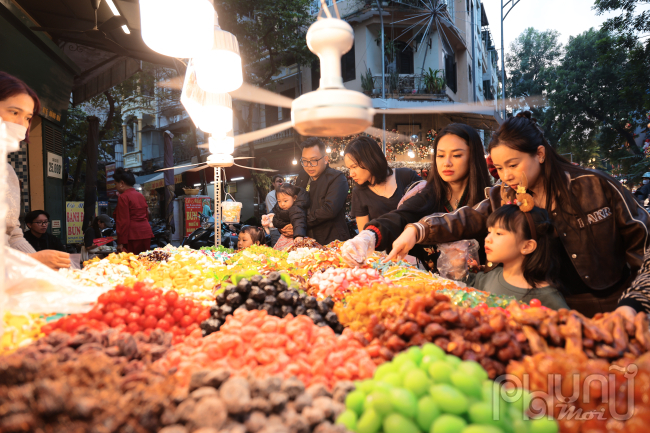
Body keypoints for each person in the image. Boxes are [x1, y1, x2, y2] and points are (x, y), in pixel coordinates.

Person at [387, 112, 650, 318]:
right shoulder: (507, 195)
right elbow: (469, 217)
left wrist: (634, 304)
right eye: (499, 168)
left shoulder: (594, 186)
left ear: (540, 154)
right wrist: (417, 230)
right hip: (546, 312)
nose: (506, 175)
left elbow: (644, 246)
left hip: (614, 308)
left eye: (513, 165)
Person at [341, 124, 491, 269]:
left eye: (457, 155)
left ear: (473, 157)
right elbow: (402, 215)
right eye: (440, 155)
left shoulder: (489, 200)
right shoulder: (428, 194)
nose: (447, 163)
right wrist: (369, 235)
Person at [0, 72, 69, 269]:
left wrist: (43, 268)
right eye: (14, 112)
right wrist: (32, 262)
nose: (22, 125)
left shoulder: (8, 173)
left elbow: (12, 235)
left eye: (28, 117)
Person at [467, 204, 568, 310]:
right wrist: (458, 266)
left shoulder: (547, 297)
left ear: (527, 246)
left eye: (498, 233)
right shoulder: (486, 278)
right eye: (489, 231)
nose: (487, 239)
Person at [281, 137, 350, 245]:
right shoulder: (302, 177)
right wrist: (280, 223)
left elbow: (329, 210)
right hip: (307, 240)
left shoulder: (337, 178)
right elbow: (293, 202)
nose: (309, 165)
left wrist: (299, 224)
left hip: (332, 240)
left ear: (325, 159)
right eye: (304, 161)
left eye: (313, 160)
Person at [344, 136, 421, 230]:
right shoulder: (359, 192)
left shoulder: (406, 176)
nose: (351, 174)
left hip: (416, 240)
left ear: (369, 160)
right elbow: (364, 235)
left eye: (354, 167)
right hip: (382, 243)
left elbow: (428, 207)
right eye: (349, 168)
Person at [114, 167, 153, 254]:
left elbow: (123, 221)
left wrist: (121, 242)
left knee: (131, 262)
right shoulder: (140, 195)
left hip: (132, 235)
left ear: (122, 183)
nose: (115, 187)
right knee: (144, 261)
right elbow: (147, 215)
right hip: (146, 233)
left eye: (115, 184)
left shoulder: (123, 197)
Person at [263, 183, 310, 249]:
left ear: (294, 198)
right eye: (279, 201)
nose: (282, 204)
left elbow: (299, 221)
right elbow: (273, 211)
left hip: (294, 238)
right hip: (283, 237)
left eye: (285, 201)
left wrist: (299, 235)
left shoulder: (296, 209)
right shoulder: (278, 207)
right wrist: (267, 217)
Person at [265, 175, 284, 245]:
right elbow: (274, 213)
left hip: (285, 228)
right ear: (273, 184)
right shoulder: (271, 195)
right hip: (275, 228)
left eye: (281, 181)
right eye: (277, 181)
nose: (280, 183)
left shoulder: (285, 194)